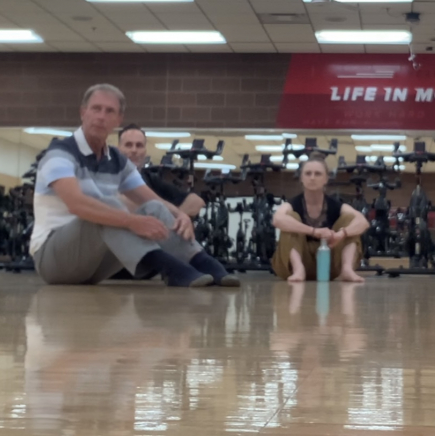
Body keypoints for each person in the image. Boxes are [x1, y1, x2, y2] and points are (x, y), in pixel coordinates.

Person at [30, 84, 238, 288]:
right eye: (96, 109)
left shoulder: (117, 159)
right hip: (53, 261)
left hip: (93, 266)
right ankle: (169, 269)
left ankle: (201, 261)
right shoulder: (60, 153)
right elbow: (77, 204)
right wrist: (131, 221)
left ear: (118, 119)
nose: (101, 116)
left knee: (155, 208)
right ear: (83, 113)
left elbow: (150, 198)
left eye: (109, 111)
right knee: (108, 207)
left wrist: (179, 214)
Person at [271, 158, 370, 283]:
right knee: (289, 218)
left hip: (328, 264)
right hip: (297, 262)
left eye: (317, 174)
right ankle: (298, 269)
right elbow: (277, 219)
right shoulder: (292, 203)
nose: (312, 178)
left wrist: (342, 234)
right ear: (301, 178)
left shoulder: (335, 204)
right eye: (308, 173)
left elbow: (362, 221)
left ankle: (347, 269)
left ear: (326, 179)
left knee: (350, 220)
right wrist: (313, 231)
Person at [117, 125, 206, 218]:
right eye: (128, 145)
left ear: (145, 151)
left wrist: (174, 220)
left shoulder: (150, 178)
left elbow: (196, 201)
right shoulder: (109, 176)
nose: (134, 150)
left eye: (139, 145)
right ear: (118, 150)